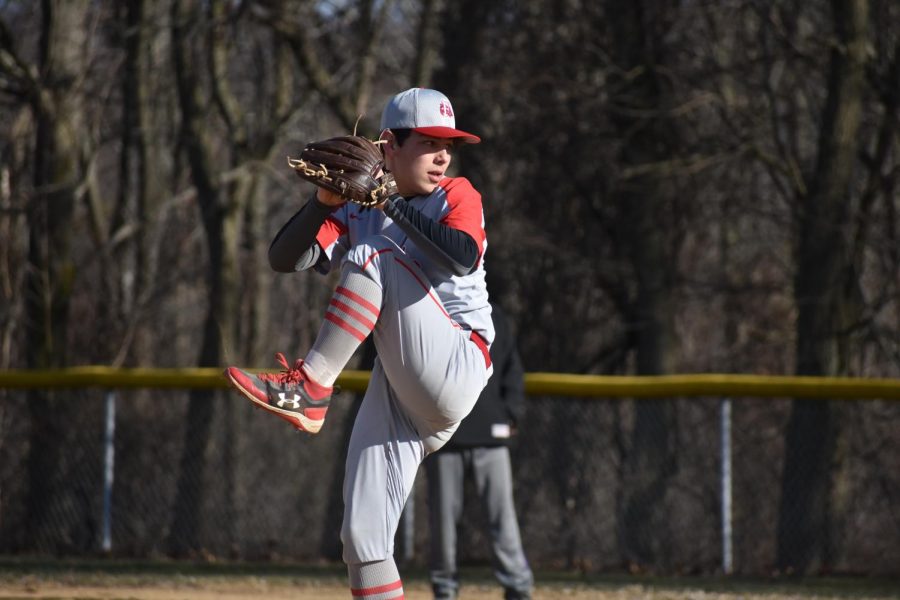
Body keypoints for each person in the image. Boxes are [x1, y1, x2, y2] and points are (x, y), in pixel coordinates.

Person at [224, 87, 492, 600]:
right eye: (429, 143)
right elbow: (284, 259)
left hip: (457, 360)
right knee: (362, 539)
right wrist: (321, 203)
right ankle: (313, 389)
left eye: (449, 145)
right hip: (401, 387)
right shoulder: (361, 208)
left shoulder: (454, 194)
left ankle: (312, 387)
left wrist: (388, 201)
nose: (443, 156)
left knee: (377, 255)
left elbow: (460, 255)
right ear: (389, 145)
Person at [425, 301, 534, 600]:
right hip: (445, 436)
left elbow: (513, 370)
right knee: (443, 520)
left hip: (490, 436)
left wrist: (510, 413)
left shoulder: (495, 315)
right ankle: (445, 587)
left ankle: (517, 585)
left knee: (502, 516)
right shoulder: (433, 312)